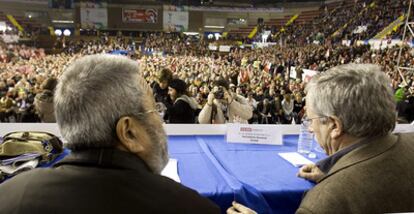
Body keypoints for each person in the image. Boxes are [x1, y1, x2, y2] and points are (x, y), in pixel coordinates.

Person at [0, 54, 220, 213]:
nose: (160, 121)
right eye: (154, 111)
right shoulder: (189, 206)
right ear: (128, 132)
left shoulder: (11, 196)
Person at [227, 64, 414, 214]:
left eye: (310, 119)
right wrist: (331, 176)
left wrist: (337, 184)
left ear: (334, 126)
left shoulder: (323, 203)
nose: (310, 127)